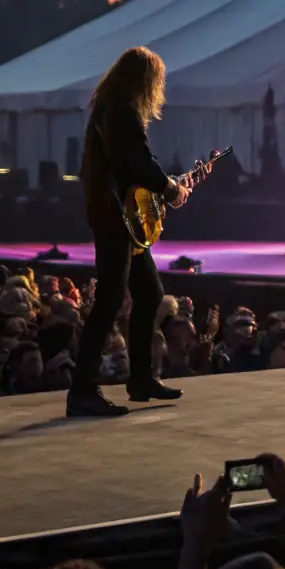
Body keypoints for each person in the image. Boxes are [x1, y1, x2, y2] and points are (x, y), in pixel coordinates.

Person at [68, 47, 198, 418]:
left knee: (149, 291)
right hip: (116, 218)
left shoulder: (110, 110)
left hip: (121, 217)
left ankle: (141, 378)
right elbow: (141, 162)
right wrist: (171, 189)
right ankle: (83, 390)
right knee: (110, 299)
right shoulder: (123, 112)